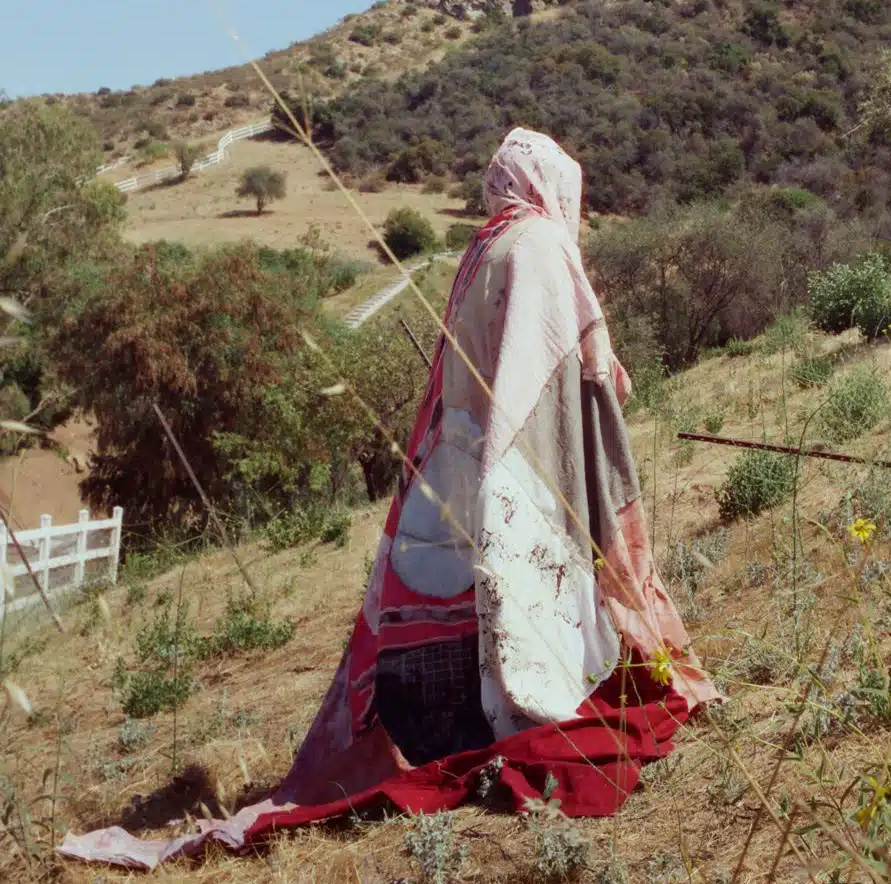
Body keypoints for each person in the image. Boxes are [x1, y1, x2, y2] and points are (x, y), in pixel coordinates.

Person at [59, 128, 721, 872]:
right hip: (520, 457)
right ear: (548, 186)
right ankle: (524, 705)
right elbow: (574, 364)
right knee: (531, 609)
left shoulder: (484, 244)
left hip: (459, 460)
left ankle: (468, 717)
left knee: (475, 599)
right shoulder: (538, 243)